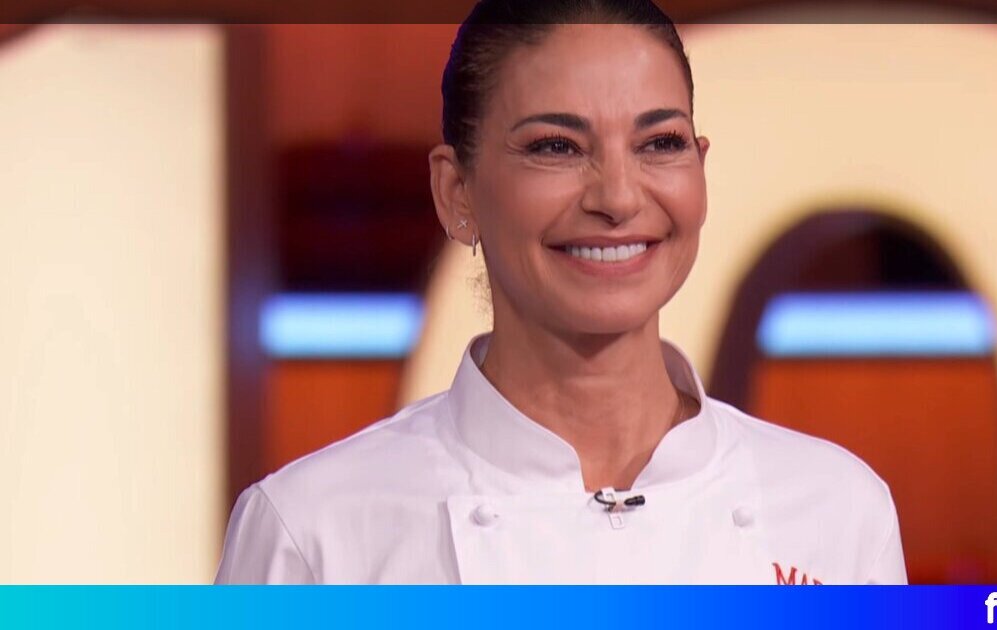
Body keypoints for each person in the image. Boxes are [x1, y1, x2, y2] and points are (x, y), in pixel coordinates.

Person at [214, 0, 907, 584]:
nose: (618, 198)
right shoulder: (313, 531)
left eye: (659, 143)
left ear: (700, 168)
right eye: (556, 147)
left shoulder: (838, 510)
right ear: (456, 192)